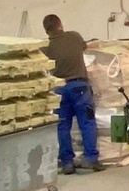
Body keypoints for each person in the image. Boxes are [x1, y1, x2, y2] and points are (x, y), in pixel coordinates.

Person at [43, 14, 103, 174]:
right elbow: (85, 48)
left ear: (46, 31)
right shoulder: (74, 37)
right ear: (60, 24)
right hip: (79, 87)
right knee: (87, 122)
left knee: (63, 126)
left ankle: (67, 163)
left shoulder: (46, 48)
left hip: (59, 90)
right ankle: (90, 158)